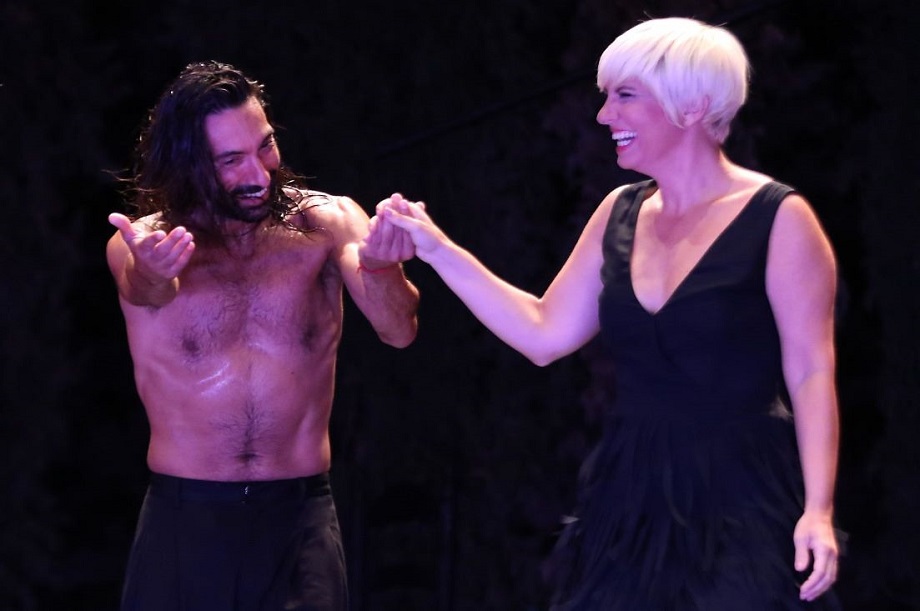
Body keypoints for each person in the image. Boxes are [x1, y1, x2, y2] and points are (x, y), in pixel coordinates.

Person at [377, 17, 841, 610]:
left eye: (624, 96)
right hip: (631, 496)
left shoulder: (779, 218)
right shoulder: (620, 212)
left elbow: (811, 371)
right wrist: (438, 249)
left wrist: (818, 508)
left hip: (742, 494)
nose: (603, 116)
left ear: (692, 105)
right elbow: (544, 332)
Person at [106, 60, 419, 611]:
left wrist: (382, 267)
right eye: (231, 161)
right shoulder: (148, 243)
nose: (258, 174)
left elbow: (398, 331)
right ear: (189, 162)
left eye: (266, 146)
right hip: (185, 518)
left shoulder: (327, 223)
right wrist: (152, 271)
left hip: (299, 517)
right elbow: (145, 288)